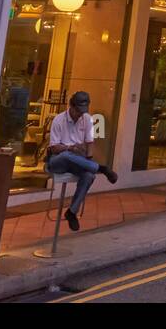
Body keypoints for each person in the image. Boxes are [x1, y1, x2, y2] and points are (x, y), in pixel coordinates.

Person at [47, 91, 117, 231]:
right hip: (57, 160)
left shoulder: (87, 119)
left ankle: (72, 212)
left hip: (77, 160)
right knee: (67, 154)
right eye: (78, 111)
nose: (80, 114)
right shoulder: (59, 120)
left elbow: (90, 143)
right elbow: (54, 148)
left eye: (83, 111)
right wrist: (70, 147)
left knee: (89, 175)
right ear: (71, 106)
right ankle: (102, 169)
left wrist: (88, 159)